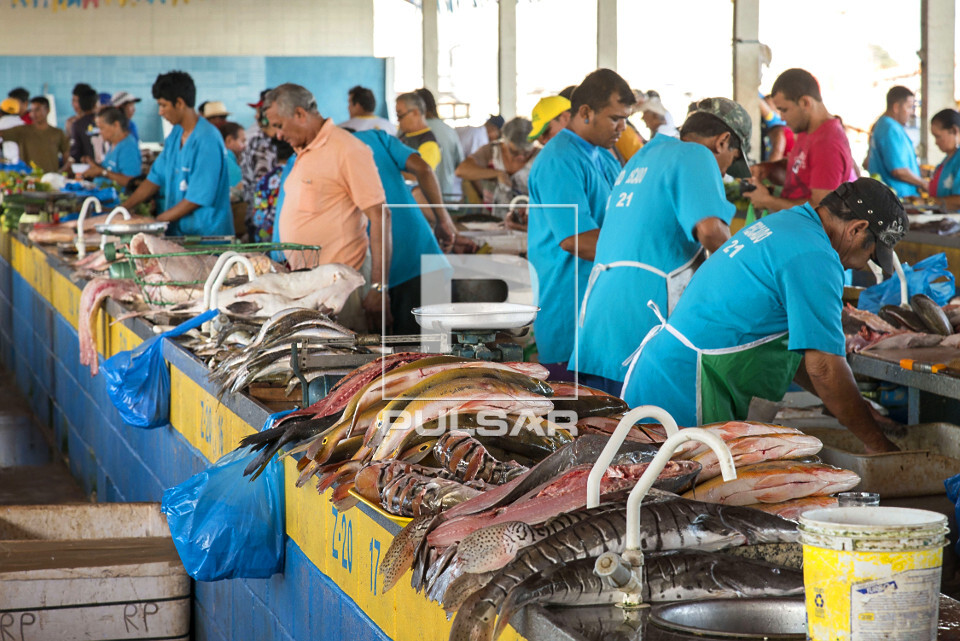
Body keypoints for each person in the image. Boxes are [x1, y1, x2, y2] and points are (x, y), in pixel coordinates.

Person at [623, 178, 906, 453]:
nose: (863, 263)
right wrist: (878, 444)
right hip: (689, 389)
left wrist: (855, 408)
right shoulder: (815, 255)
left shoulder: (789, 223)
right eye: (870, 253)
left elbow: (802, 352)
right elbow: (824, 368)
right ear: (857, 229)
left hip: (667, 374)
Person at [574, 98, 752, 394]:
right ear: (722, 142)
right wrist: (753, 276)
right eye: (731, 162)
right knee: (649, 433)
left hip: (599, 323)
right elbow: (711, 232)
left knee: (604, 432)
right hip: (643, 326)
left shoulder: (646, 154)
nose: (723, 174)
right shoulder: (697, 155)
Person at [526, 68, 635, 380]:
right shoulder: (560, 158)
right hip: (569, 312)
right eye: (615, 118)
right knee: (577, 419)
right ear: (586, 112)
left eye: (626, 118)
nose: (622, 127)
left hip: (600, 312)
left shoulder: (603, 156)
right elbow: (577, 239)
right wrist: (643, 256)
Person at [263, 83, 391, 332]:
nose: (277, 135)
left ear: (300, 114)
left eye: (279, 125)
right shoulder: (302, 151)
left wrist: (379, 287)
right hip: (310, 284)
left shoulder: (347, 149)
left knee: (349, 362)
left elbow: (381, 216)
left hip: (343, 287)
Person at [352, 128, 454, 333]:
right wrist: (444, 220)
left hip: (377, 273)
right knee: (439, 354)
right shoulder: (376, 137)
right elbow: (424, 169)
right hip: (424, 258)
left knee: (392, 359)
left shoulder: (322, 155)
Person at [120, 71, 233, 237]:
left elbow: (197, 198)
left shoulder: (207, 139)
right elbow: (154, 178)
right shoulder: (175, 135)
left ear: (179, 103)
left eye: (163, 105)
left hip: (207, 238)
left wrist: (155, 222)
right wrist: (123, 209)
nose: (160, 112)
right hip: (180, 234)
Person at [746, 68, 857, 212]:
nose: (782, 118)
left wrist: (768, 201)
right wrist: (769, 169)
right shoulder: (807, 131)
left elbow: (822, 207)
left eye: (784, 110)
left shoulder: (827, 143)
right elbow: (799, 169)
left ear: (805, 102)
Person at [455, 117, 538, 205]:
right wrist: (497, 173)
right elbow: (461, 170)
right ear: (504, 141)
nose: (520, 157)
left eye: (526, 153)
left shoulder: (541, 155)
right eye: (514, 152)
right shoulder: (492, 150)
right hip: (494, 214)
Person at [867, 86, 926, 197]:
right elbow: (898, 170)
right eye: (909, 107)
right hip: (897, 199)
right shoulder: (891, 129)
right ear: (896, 107)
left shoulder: (881, 124)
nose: (911, 113)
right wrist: (924, 183)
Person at [415, 88, 465, 201]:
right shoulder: (449, 131)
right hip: (447, 196)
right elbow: (460, 164)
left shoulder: (411, 131)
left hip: (419, 199)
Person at [241, 91, 278, 240]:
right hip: (263, 217)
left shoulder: (275, 141)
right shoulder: (259, 143)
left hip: (264, 216)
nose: (256, 116)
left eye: (260, 111)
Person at [0, 97, 70, 173]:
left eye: (37, 110)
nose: (33, 114)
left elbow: (67, 156)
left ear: (47, 110)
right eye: (31, 110)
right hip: (28, 180)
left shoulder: (58, 133)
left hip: (51, 180)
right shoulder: (21, 130)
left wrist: (61, 173)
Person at [80, 107, 140, 186]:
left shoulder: (128, 147)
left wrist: (102, 172)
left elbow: (131, 181)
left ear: (116, 125)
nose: (100, 132)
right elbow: (110, 169)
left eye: (102, 128)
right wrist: (95, 167)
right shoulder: (114, 143)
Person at [249, 137, 295, 242]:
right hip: (290, 239)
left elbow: (257, 217)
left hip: (266, 239)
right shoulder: (297, 176)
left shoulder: (264, 180)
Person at [395, 92, 441, 169]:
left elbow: (417, 175)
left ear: (415, 112)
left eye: (400, 115)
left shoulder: (429, 144)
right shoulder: (403, 136)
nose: (398, 120)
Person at [928, 109, 960, 208]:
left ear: (954, 130)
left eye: (938, 137)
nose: (936, 142)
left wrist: (928, 202)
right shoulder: (945, 162)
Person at [69, 84, 100, 163]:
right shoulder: (72, 123)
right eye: (73, 100)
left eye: (76, 101)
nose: (74, 104)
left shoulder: (102, 120)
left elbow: (74, 153)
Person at [759, 92, 793, 162]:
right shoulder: (781, 123)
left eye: (770, 104)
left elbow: (777, 152)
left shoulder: (776, 121)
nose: (767, 105)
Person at [0, 98, 23, 162]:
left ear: (1, 111)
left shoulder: (1, 123)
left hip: (9, 163)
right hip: (23, 162)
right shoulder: (22, 123)